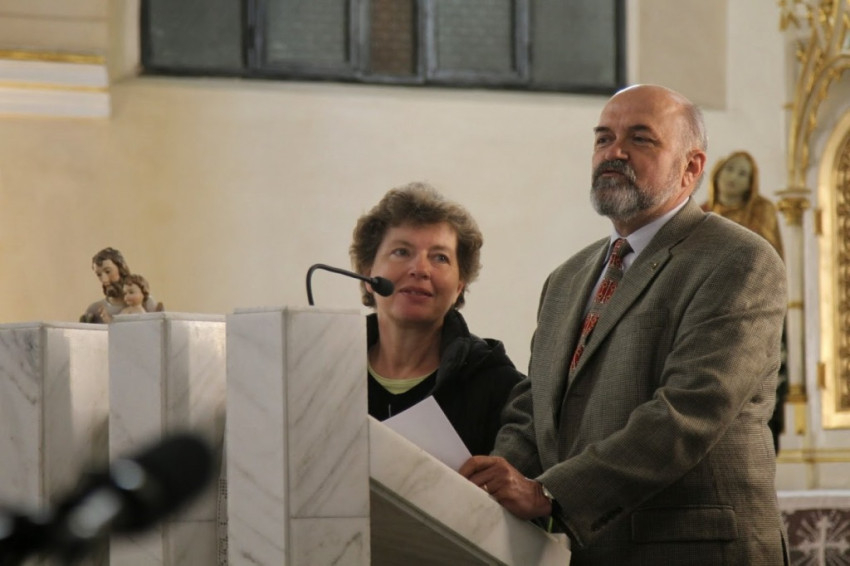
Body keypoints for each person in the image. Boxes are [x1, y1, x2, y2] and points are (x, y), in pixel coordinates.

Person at [459, 85, 789, 565]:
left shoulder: (737, 260)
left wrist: (551, 494)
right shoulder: (567, 278)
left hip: (693, 551)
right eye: (603, 138)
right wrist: (487, 483)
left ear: (691, 167)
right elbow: (537, 409)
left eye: (640, 138)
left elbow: (689, 410)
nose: (614, 152)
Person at [350, 182, 524, 456]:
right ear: (368, 273)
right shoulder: (328, 373)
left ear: (459, 286)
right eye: (401, 252)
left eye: (440, 258)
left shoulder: (499, 387)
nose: (420, 269)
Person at [703, 150, 788, 452]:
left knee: (755, 385)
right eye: (730, 170)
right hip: (711, 313)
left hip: (754, 309)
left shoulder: (762, 211)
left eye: (743, 174)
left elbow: (772, 261)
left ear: (751, 183)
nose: (734, 178)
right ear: (717, 172)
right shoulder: (701, 215)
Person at [80, 247, 160, 323]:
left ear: (121, 269)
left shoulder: (146, 302)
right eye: (99, 275)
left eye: (108, 271)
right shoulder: (95, 309)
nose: (104, 280)